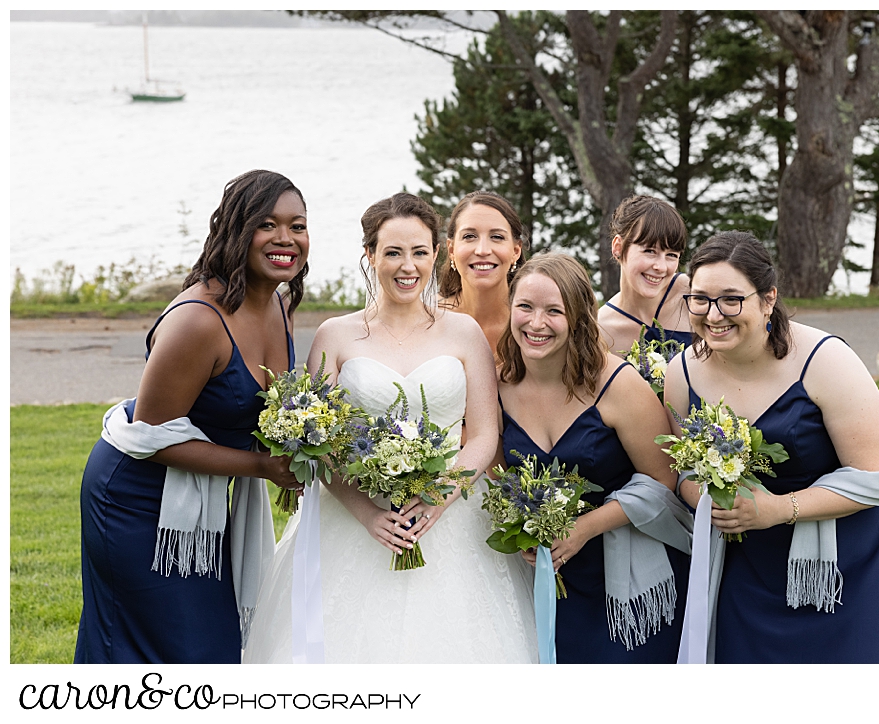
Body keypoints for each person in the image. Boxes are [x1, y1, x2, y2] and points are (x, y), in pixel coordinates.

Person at [243, 192, 537, 663]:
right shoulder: (335, 336)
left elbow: (484, 434)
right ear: (370, 255)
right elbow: (316, 442)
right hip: (353, 520)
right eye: (393, 252)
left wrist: (439, 497)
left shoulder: (463, 333)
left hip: (451, 515)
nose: (408, 266)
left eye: (420, 252)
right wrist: (368, 514)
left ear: (436, 254)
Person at [664, 230, 879, 663]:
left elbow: (877, 477)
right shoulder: (681, 374)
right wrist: (712, 500)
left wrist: (776, 508)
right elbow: (681, 472)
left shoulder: (825, 360)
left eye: (731, 299)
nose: (714, 315)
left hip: (852, 561)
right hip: (748, 568)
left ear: (768, 299)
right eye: (700, 299)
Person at [75, 170, 308, 663]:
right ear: (237, 231)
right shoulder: (197, 321)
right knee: (170, 651)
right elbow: (152, 437)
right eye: (267, 225)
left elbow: (263, 412)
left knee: (214, 646)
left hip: (200, 503)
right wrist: (263, 468)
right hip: (134, 500)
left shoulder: (280, 306)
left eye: (298, 225)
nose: (286, 239)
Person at [496, 252, 692, 664]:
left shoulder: (616, 383)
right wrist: (522, 532)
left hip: (627, 578)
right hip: (547, 578)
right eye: (525, 307)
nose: (536, 323)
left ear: (580, 317)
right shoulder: (499, 383)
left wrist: (584, 528)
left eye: (554, 311)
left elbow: (665, 479)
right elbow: (500, 476)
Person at [598, 195, 692, 356]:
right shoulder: (600, 330)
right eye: (650, 251)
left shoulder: (691, 294)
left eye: (671, 255)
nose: (661, 267)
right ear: (618, 247)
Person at [439, 190, 527, 355]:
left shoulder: (534, 324)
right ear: (451, 250)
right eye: (470, 236)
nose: (482, 250)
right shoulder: (427, 318)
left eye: (497, 237)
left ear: (516, 251)